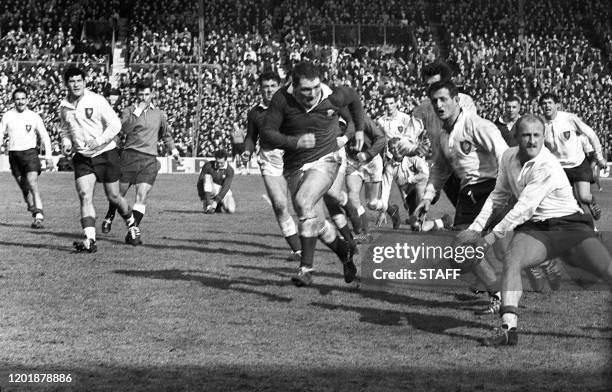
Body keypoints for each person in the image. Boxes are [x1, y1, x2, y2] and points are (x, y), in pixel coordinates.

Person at [455, 114, 612, 346]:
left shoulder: (546, 165)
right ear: (516, 137)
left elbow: (523, 209)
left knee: (608, 271)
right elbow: (498, 196)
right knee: (512, 258)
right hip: (537, 228)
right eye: (526, 135)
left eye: (536, 135)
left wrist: (486, 240)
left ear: (543, 137)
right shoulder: (508, 157)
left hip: (569, 226)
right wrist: (475, 229)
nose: (531, 140)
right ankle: (508, 330)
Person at [261, 61, 363, 287]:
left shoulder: (332, 95)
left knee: (302, 201)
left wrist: (361, 129)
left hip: (327, 158)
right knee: (314, 221)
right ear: (293, 86)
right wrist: (294, 142)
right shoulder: (281, 100)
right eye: (306, 89)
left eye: (316, 87)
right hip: (295, 166)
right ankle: (344, 250)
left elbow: (354, 97)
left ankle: (305, 269)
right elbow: (267, 134)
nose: (312, 93)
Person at [414, 79, 508, 315]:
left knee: (471, 250)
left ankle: (504, 291)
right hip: (468, 195)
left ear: (457, 100)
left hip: (490, 188)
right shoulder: (443, 135)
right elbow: (440, 170)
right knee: (462, 254)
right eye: (435, 101)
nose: (439, 105)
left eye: (444, 99)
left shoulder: (477, 125)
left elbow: (504, 154)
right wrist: (427, 198)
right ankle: (499, 293)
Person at [58, 67, 137, 253]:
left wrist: (99, 141)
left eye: (79, 80)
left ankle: (133, 225)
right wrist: (66, 142)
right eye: (72, 81)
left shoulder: (97, 100)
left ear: (85, 82)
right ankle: (90, 240)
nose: (75, 84)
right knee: (85, 196)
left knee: (114, 197)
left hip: (106, 154)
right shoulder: (64, 106)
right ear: (66, 84)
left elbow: (115, 125)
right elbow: (65, 129)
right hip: (83, 158)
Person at [100, 82, 182, 244]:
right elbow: (124, 129)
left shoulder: (159, 114)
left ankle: (133, 230)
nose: (144, 98)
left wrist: (174, 152)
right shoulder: (129, 111)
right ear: (136, 95)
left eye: (146, 94)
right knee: (118, 195)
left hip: (149, 159)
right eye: (141, 95)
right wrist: (137, 111)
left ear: (152, 94)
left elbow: (166, 135)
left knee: (141, 196)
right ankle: (110, 215)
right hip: (129, 157)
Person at [242, 71, 302, 261]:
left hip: (294, 158)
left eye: (272, 86)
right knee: (279, 205)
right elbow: (251, 137)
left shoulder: (291, 107)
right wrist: (247, 150)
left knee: (302, 204)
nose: (268, 90)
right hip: (269, 160)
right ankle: (298, 251)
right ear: (260, 89)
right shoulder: (255, 112)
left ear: (279, 87)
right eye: (265, 86)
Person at [413, 61, 477, 207]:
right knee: (428, 197)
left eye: (435, 84)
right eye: (427, 85)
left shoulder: (464, 101)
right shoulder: (423, 108)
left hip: (464, 164)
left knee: (468, 212)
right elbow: (411, 134)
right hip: (441, 166)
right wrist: (416, 146)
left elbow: (467, 129)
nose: (431, 89)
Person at [539, 93, 606, 220]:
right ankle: (581, 223)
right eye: (544, 103)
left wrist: (600, 156)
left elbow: (591, 135)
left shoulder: (569, 118)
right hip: (559, 169)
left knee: (583, 197)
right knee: (569, 202)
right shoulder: (540, 123)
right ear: (540, 107)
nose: (547, 105)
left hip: (578, 164)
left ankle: (591, 201)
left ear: (557, 105)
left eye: (550, 103)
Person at [0, 87, 53, 228]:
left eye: (23, 98)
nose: (20, 101)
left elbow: (45, 137)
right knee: (24, 188)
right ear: (13, 101)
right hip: (14, 155)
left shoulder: (34, 116)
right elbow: (0, 133)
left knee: (32, 182)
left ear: (27, 100)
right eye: (17, 99)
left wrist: (48, 156)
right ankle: (33, 208)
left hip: (30, 153)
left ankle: (39, 215)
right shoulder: (7, 116)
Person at [344, 114, 386, 241]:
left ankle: (389, 209)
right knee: (352, 196)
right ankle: (365, 233)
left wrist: (368, 154)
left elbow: (381, 139)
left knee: (372, 204)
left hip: (371, 162)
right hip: (352, 162)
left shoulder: (363, 119)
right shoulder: (335, 120)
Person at [197, 149, 236, 214]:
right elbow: (200, 183)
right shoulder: (208, 166)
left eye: (221, 163)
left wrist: (216, 202)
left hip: (223, 190)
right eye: (218, 162)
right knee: (207, 177)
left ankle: (219, 205)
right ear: (215, 159)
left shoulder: (230, 170)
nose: (219, 164)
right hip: (211, 189)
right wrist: (203, 200)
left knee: (231, 210)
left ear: (225, 160)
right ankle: (209, 204)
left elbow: (226, 187)